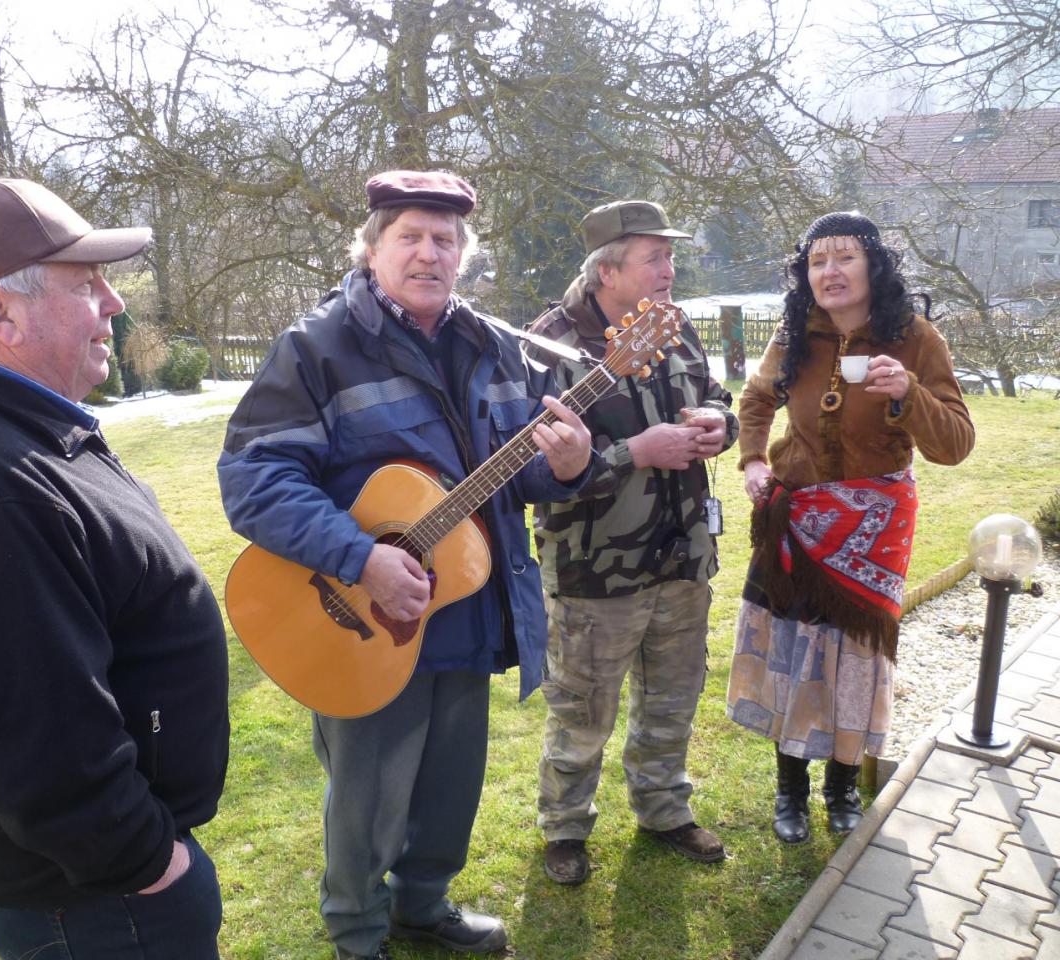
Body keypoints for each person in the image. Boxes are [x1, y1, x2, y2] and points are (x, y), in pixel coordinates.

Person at [217, 170, 594, 960]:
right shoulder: (316, 349)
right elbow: (255, 478)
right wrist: (360, 559)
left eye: (445, 240)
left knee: (452, 786)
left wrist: (564, 467)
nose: (429, 253)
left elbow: (509, 471)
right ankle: (357, 935)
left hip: (465, 606)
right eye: (410, 237)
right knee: (369, 797)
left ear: (463, 253)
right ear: (372, 248)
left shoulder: (492, 345)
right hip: (358, 616)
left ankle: (422, 907)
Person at [0, 178, 230, 959]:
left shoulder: (14, 432)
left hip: (97, 889)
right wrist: (153, 866)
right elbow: (44, 751)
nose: (114, 303)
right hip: (94, 902)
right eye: (86, 284)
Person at [727, 211, 974, 844]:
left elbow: (955, 445)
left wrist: (908, 393)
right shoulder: (795, 334)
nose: (829, 272)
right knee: (794, 653)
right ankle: (789, 788)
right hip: (795, 521)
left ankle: (840, 788)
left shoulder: (916, 338)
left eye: (844, 258)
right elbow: (756, 399)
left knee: (856, 659)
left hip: (875, 529)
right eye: (817, 261)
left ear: (874, 266)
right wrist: (753, 460)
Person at [529, 200, 738, 885]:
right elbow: (534, 469)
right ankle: (565, 827)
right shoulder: (550, 346)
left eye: (670, 256)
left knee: (673, 700)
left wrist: (720, 424)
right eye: (655, 258)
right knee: (582, 711)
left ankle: (664, 808)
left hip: (682, 555)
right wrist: (635, 453)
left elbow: (718, 397)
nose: (669, 269)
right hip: (597, 571)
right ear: (608, 270)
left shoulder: (671, 326)